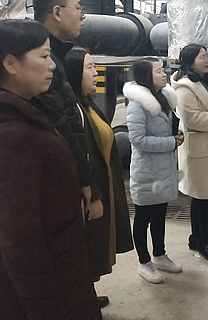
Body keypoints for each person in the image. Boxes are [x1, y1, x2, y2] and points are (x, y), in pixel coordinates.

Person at [0, 19, 101, 320]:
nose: (52, 65)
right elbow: (21, 242)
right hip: (25, 298)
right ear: (10, 63)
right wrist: (47, 309)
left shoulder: (27, 112)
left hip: (53, 273)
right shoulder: (9, 138)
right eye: (44, 55)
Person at [64, 47, 134, 301]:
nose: (95, 73)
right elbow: (79, 156)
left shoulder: (88, 105)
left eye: (95, 67)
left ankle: (87, 295)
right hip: (88, 192)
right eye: (89, 67)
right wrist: (92, 195)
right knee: (88, 245)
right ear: (74, 72)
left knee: (95, 245)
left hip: (101, 185)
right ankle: (82, 301)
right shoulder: (74, 110)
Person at [32, 0, 96, 220]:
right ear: (57, 12)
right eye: (78, 8)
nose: (82, 16)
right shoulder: (47, 63)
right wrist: (86, 181)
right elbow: (63, 124)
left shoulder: (58, 56)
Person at [123, 57, 184, 283]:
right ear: (147, 76)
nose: (164, 73)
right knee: (143, 218)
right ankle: (144, 262)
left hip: (163, 169)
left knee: (159, 215)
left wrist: (176, 136)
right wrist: (171, 142)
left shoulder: (163, 96)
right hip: (147, 171)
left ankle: (159, 255)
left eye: (162, 69)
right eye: (158, 71)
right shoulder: (137, 104)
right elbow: (137, 140)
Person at [171, 44, 208, 263]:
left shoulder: (206, 81)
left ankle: (197, 238)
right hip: (199, 150)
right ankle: (204, 242)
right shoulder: (185, 87)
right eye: (202, 57)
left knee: (205, 197)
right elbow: (191, 118)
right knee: (204, 198)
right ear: (190, 61)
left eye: (207, 56)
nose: (207, 60)